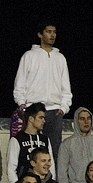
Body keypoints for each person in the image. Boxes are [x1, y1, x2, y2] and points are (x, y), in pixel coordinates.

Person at [13, 22, 71, 161]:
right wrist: (24, 107)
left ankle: (52, 182)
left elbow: (66, 87)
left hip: (54, 111)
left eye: (54, 32)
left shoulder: (60, 58)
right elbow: (19, 85)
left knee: (53, 152)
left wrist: (63, 107)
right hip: (33, 110)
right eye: (49, 31)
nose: (52, 35)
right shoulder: (29, 56)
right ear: (40, 34)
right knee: (31, 150)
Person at [57, 107, 93, 183]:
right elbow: (62, 172)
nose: (86, 122)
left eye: (88, 118)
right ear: (76, 121)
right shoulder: (67, 144)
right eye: (82, 119)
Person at [6, 103, 54, 183]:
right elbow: (11, 169)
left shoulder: (45, 139)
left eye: (44, 118)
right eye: (41, 117)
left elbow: (51, 165)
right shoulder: (17, 139)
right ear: (31, 119)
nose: (44, 121)